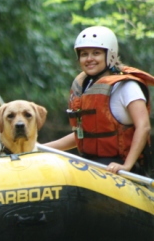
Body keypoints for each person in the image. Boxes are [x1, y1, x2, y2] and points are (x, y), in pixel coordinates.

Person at [44, 26, 154, 175]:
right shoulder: (87, 85)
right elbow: (83, 134)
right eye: (84, 54)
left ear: (110, 55)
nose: (89, 59)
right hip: (93, 163)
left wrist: (127, 166)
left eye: (96, 53)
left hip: (122, 166)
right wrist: (42, 147)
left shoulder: (127, 86)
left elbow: (144, 126)